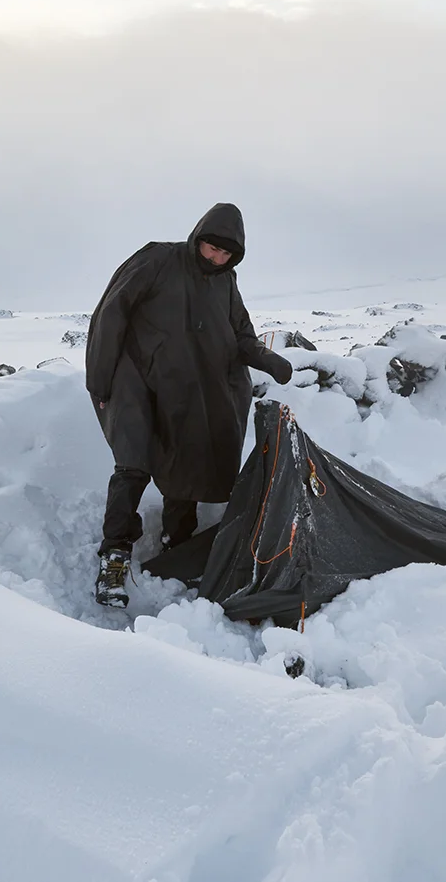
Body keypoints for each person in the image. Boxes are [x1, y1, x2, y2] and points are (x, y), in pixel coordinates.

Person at [84, 202, 294, 607]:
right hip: (136, 382)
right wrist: (100, 378)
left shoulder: (226, 284)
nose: (216, 257)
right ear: (198, 237)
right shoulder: (158, 258)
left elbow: (242, 335)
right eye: (211, 248)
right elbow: (112, 311)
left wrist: (270, 360)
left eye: (226, 253)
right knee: (133, 463)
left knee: (186, 463)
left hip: (185, 390)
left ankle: (177, 547)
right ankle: (114, 555)